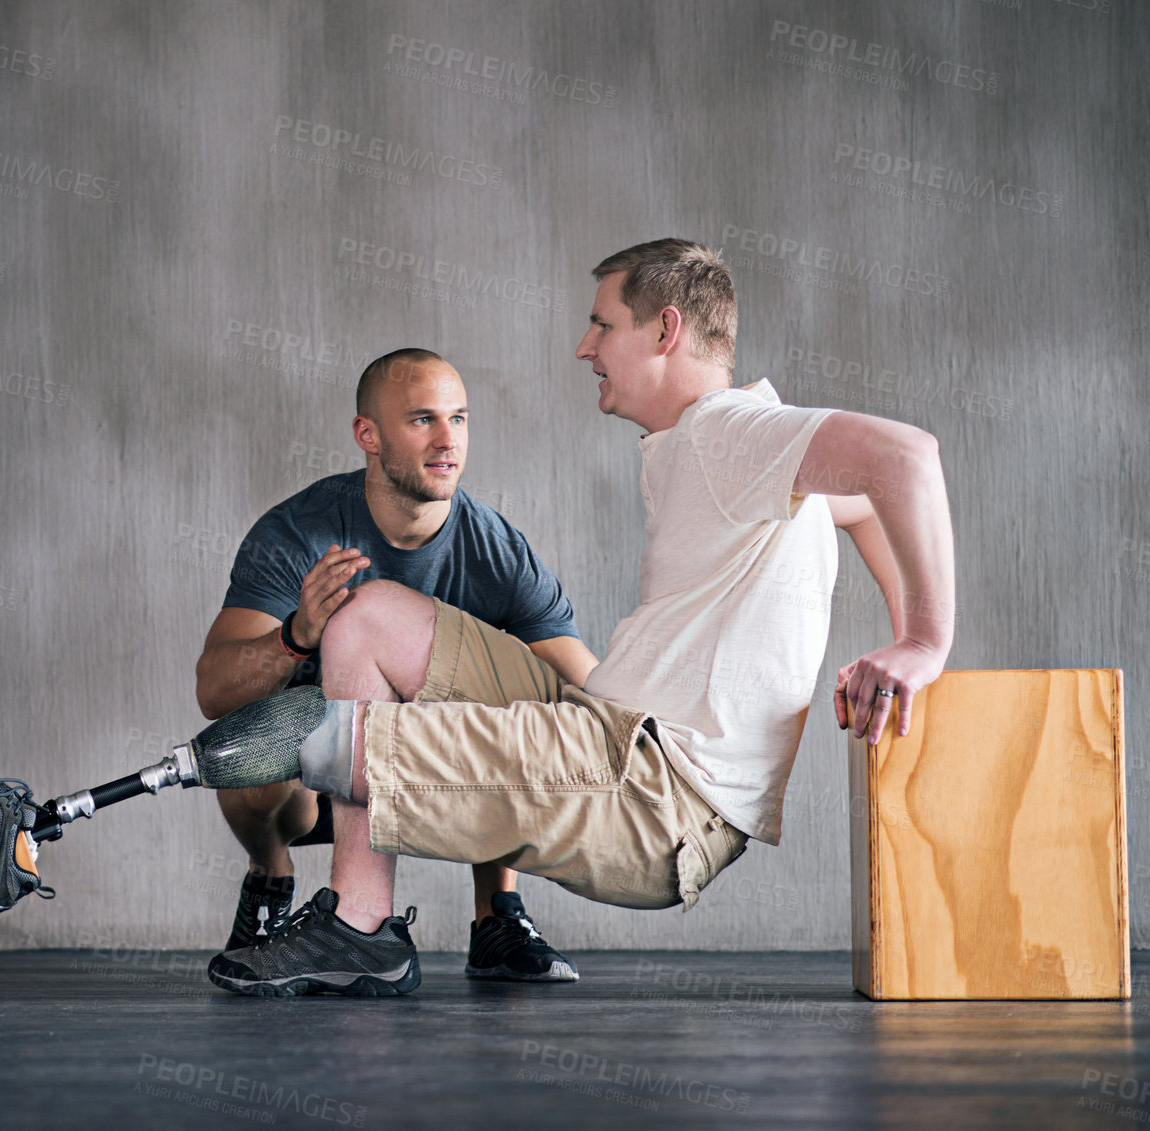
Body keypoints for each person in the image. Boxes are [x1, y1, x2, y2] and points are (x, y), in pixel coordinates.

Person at [202, 238, 955, 996]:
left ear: (663, 332)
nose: (582, 347)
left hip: (657, 794)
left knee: (338, 738)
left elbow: (906, 459)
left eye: (602, 326)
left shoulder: (726, 430)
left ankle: (363, 916)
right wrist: (896, 634)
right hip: (608, 728)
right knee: (365, 619)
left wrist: (922, 641)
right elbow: (858, 505)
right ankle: (360, 925)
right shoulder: (710, 444)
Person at [195, 348, 598, 981]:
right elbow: (215, 692)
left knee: (523, 702)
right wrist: (297, 636)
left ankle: (496, 916)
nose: (448, 441)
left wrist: (674, 742)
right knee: (246, 755)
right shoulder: (299, 532)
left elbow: (584, 684)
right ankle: (271, 884)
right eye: (422, 420)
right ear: (368, 435)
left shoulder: (497, 551)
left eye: (459, 419)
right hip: (314, 781)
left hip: (437, 771)